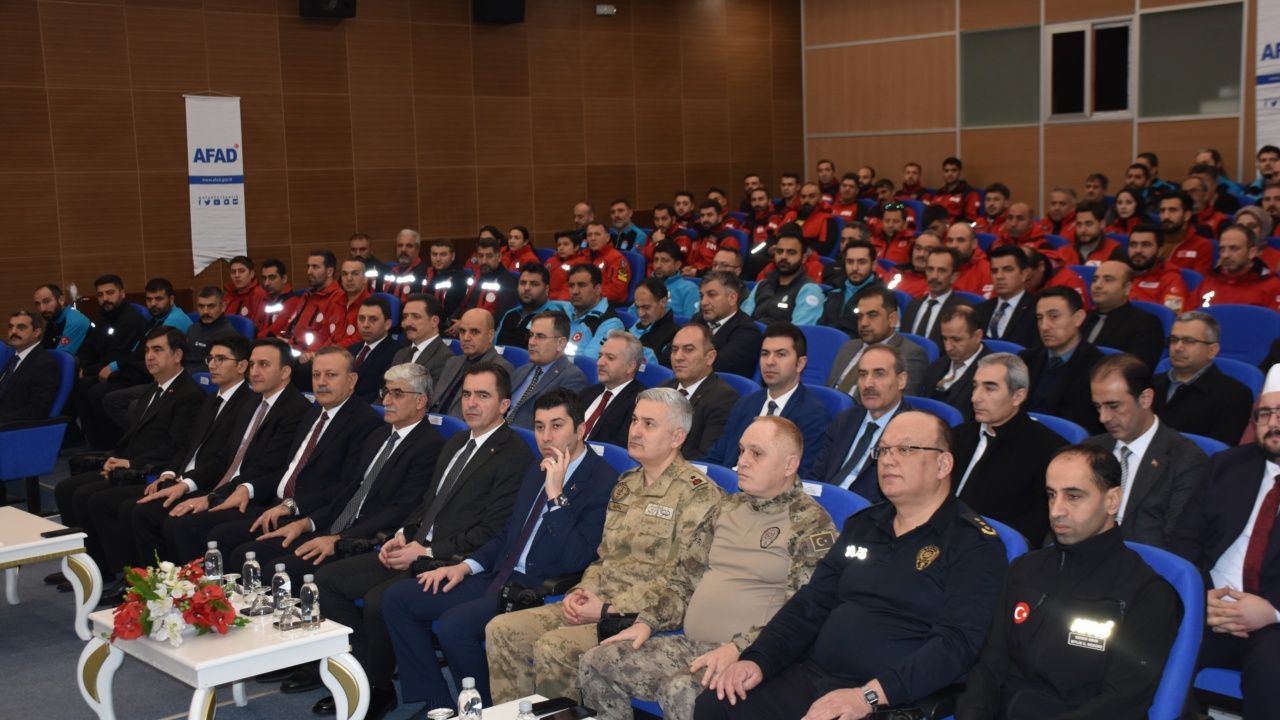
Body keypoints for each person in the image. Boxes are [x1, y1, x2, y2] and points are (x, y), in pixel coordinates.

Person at [693, 410, 1007, 720]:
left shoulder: (974, 544)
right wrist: (758, 659)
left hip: (890, 699)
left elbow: (956, 645)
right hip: (815, 675)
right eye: (883, 450)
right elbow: (810, 605)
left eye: (905, 449)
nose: (888, 460)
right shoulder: (863, 526)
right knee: (717, 703)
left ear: (943, 464)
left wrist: (868, 695)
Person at [300, 363, 532, 716]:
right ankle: (364, 677)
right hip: (417, 548)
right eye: (467, 394)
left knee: (381, 601)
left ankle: (391, 691)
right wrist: (402, 536)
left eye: (483, 396)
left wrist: (426, 550)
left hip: (452, 560)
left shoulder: (513, 455)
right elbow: (428, 503)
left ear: (504, 405)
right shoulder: (457, 441)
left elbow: (491, 531)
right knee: (328, 580)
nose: (471, 403)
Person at [579, 417, 835, 720]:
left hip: (751, 658)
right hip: (691, 647)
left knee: (680, 690)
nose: (742, 462)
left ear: (790, 464)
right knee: (597, 661)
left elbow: (802, 615)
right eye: (741, 450)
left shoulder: (810, 524)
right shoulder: (726, 507)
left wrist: (739, 648)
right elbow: (683, 581)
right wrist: (647, 622)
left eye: (756, 453)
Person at [382, 389, 618, 712]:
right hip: (498, 575)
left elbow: (578, 558)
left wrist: (556, 497)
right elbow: (508, 535)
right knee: (398, 599)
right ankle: (439, 703)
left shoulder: (603, 481)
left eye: (557, 426)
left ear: (580, 429)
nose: (546, 437)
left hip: (536, 589)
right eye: (539, 427)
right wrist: (464, 566)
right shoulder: (537, 467)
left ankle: (487, 710)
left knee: (454, 626)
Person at [486, 388, 723, 703]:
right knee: (502, 630)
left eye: (649, 424)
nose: (635, 431)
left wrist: (608, 609)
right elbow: (605, 558)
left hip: (640, 616)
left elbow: (683, 582)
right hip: (598, 602)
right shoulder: (626, 484)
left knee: (555, 647)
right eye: (634, 420)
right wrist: (582, 592)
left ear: (677, 437)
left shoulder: (698, 495)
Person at [954, 444, 1182, 719]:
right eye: (1052, 495)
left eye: (1073, 496)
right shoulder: (1024, 570)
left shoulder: (1147, 594)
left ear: (1112, 501)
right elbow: (990, 667)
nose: (1056, 511)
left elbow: (1121, 702)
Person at [225, 362, 444, 589]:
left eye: (397, 394)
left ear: (420, 401)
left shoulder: (430, 446)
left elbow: (400, 511)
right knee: (247, 554)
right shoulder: (378, 436)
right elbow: (348, 491)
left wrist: (339, 540)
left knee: (280, 570)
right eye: (386, 392)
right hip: (332, 526)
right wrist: (306, 524)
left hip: (363, 540)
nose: (386, 401)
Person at [171, 347, 383, 562]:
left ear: (351, 380)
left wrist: (291, 507)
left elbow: (345, 488)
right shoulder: (315, 412)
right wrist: (248, 488)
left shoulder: (364, 422)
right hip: (275, 505)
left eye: (331, 375)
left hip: (308, 514)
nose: (321, 382)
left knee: (228, 543)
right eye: (316, 375)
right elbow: (287, 469)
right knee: (190, 526)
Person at [1171, 364, 1280, 718]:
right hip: (1212, 606)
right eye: (1265, 414)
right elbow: (1185, 539)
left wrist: (1272, 612)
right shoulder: (1227, 465)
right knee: (1147, 643)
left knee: (1272, 672)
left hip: (1274, 622)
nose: (1273, 423)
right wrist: (1201, 597)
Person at [54, 327, 204, 578]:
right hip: (132, 463)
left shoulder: (189, 395)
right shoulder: (153, 389)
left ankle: (118, 573)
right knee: (65, 489)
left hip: (153, 469)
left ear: (177, 355)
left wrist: (131, 462)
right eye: (147, 350)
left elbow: (177, 447)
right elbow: (134, 436)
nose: (149, 357)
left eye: (158, 350)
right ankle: (88, 566)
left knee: (93, 499)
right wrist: (113, 459)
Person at [158, 338, 311, 561]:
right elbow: (225, 458)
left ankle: (195, 581)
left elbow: (268, 466)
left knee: (182, 525)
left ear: (285, 372)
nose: (254, 372)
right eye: (252, 364)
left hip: (253, 495)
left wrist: (212, 496)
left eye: (264, 365)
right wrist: (187, 484)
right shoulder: (252, 403)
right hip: (224, 487)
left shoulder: (296, 409)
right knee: (163, 514)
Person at [123, 335, 258, 566]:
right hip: (185, 476)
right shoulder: (212, 399)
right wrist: (169, 473)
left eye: (221, 359)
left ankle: (173, 578)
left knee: (153, 515)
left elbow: (225, 459)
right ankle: (150, 576)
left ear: (241, 366)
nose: (212, 365)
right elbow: (188, 445)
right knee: (135, 508)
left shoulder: (248, 404)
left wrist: (186, 482)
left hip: (208, 482)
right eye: (210, 358)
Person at [1081, 354, 1206, 548]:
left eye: (1114, 406)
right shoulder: (1090, 450)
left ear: (1145, 398)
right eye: (1098, 407)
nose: (1103, 418)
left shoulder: (1185, 459)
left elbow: (1177, 542)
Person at [952, 352, 1069, 545]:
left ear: (1017, 396)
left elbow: (1036, 524)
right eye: (975, 386)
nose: (975, 398)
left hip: (991, 546)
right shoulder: (958, 435)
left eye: (989, 388)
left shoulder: (1048, 450)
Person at [704, 323, 831, 476]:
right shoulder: (745, 404)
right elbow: (717, 457)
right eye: (765, 354)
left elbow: (800, 475)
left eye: (781, 354)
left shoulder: (813, 415)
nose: (770, 362)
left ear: (800, 364)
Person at [811, 345, 913, 501]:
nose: (868, 384)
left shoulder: (911, 430)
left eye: (879, 374)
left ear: (901, 380)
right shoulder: (845, 420)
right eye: (862, 375)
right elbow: (817, 475)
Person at [1152, 311, 1254, 445]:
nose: (1177, 348)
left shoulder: (1235, 396)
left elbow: (1219, 451)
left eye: (1188, 341)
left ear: (1212, 350)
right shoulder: (1150, 384)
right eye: (1174, 340)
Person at [74, 274, 148, 449]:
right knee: (79, 386)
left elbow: (117, 355)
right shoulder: (104, 317)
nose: (105, 298)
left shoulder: (130, 320)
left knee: (97, 392)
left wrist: (88, 371)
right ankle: (94, 444)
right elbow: (90, 346)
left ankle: (111, 446)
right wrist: (83, 366)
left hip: (128, 372)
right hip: (106, 370)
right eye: (100, 295)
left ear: (122, 293)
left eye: (110, 293)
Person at [1019, 287, 1106, 435]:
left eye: (1053, 316)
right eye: (1040, 318)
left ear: (1078, 318)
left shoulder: (1098, 367)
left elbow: (1090, 425)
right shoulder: (1026, 359)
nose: (1044, 326)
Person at [827, 286, 929, 397]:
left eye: (872, 315)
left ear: (892, 319)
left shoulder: (910, 354)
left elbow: (901, 401)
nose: (864, 323)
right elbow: (829, 388)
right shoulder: (849, 346)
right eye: (860, 316)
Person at [662, 325, 739, 460]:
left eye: (688, 350)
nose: (678, 357)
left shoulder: (723, 399)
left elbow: (707, 456)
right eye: (674, 350)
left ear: (710, 357)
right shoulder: (663, 388)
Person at [506, 311, 588, 428]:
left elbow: (555, 426)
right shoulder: (522, 370)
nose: (531, 342)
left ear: (560, 343)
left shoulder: (572, 378)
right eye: (531, 335)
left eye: (540, 337)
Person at [430, 308, 514, 416]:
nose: (466, 338)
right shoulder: (452, 361)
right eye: (462, 331)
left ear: (490, 335)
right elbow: (434, 402)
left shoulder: (501, 368)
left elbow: (487, 415)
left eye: (474, 332)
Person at [1082, 260, 1166, 367]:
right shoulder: (1083, 318)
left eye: (1108, 280)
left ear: (1127, 288)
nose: (1098, 285)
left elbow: (1136, 370)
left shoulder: (1146, 324)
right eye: (1095, 279)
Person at [264, 250, 344, 355]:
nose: (309, 271)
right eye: (308, 266)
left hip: (310, 354)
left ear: (329, 271)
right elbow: (291, 325)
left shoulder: (337, 298)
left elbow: (326, 337)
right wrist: (283, 341)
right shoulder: (308, 295)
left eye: (315, 267)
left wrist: (304, 353)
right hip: (292, 348)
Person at [922, 305, 990, 423]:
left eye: (956, 340)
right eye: (944, 338)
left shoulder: (992, 371)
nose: (948, 347)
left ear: (977, 336)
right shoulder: (935, 366)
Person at [741, 229, 824, 326]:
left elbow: (797, 331)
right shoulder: (762, 284)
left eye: (791, 252)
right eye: (779, 251)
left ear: (803, 258)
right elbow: (742, 319)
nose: (783, 256)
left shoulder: (810, 290)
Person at [580, 331, 648, 447]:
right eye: (599, 356)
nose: (599, 363)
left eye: (610, 358)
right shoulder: (587, 392)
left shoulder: (640, 402)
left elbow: (619, 448)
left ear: (630, 366)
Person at [1194, 224, 1280, 311]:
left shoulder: (1272, 287)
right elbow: (1189, 315)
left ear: (1252, 252)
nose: (1226, 255)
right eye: (1222, 249)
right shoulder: (1208, 283)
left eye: (1234, 249)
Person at [695, 271, 764, 379]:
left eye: (711, 295)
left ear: (732, 298)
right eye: (701, 296)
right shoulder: (698, 319)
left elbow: (716, 366)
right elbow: (670, 353)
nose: (703, 302)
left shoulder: (747, 332)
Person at [902, 247, 972, 348]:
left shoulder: (961, 311)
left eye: (942, 271)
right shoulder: (913, 305)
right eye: (930, 269)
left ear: (954, 277)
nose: (934, 276)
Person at [0, 310, 59, 426]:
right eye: (11, 327)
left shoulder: (44, 364)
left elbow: (38, 409)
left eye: (21, 327)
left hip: (12, 426)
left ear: (36, 332)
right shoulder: (14, 358)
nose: (13, 331)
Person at [975, 245, 1039, 348]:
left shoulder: (1037, 310)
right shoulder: (979, 310)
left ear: (1024, 274)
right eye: (994, 271)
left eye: (1008, 270)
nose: (999, 276)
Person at [819, 240, 882, 335]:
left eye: (862, 262)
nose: (854, 268)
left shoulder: (883, 298)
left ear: (873, 265)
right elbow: (820, 328)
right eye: (849, 262)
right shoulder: (833, 293)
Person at [347, 296, 403, 403]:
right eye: (361, 318)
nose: (365, 325)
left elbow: (380, 393)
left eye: (373, 319)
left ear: (387, 324)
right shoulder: (351, 349)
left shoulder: (396, 353)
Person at [565, 263, 627, 360]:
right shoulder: (563, 310)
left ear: (598, 289)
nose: (575, 291)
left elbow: (589, 364)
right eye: (571, 286)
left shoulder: (611, 324)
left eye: (582, 285)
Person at [1127, 223, 1190, 313]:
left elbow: (1172, 316)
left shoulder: (1171, 280)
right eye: (1133, 245)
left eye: (1146, 245)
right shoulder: (1120, 273)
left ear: (1159, 251)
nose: (1138, 250)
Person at [390, 293, 450, 385]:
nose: (407, 323)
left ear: (434, 321)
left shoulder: (446, 358)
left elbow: (430, 393)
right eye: (405, 317)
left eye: (416, 316)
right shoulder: (400, 354)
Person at [496, 263, 558, 350]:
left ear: (546, 289)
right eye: (523, 283)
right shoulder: (510, 314)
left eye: (534, 284)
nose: (526, 288)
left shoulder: (554, 318)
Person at [456, 235, 518, 321]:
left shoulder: (507, 281)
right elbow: (462, 304)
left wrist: (465, 323)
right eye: (481, 256)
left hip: (484, 326)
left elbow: (501, 316)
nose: (484, 261)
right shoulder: (475, 277)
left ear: (499, 257)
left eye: (489, 256)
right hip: (464, 322)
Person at [1158, 191, 1215, 276]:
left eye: (1172, 210)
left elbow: (1199, 281)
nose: (1166, 216)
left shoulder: (1201, 245)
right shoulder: (1152, 243)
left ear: (1187, 215)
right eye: (1162, 211)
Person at [182, 286, 235, 374]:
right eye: (201, 306)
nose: (205, 311)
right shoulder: (192, 328)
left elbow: (217, 369)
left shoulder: (227, 335)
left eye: (211, 306)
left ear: (223, 307)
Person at [629, 277, 680, 367]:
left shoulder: (674, 337)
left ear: (663, 302)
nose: (640, 314)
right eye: (637, 307)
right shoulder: (636, 325)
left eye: (646, 307)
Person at [643, 240, 700, 318]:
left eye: (664, 261)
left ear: (677, 265)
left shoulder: (689, 289)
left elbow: (692, 322)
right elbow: (632, 313)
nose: (658, 265)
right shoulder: (646, 286)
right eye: (656, 260)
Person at [1060, 201, 1126, 267]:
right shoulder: (1065, 252)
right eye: (1079, 224)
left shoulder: (1114, 251)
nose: (1083, 230)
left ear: (1102, 224)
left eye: (1088, 224)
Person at [581, 221, 632, 305]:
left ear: (607, 238)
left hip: (609, 304)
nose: (592, 238)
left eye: (597, 234)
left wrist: (589, 296)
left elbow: (618, 290)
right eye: (589, 235)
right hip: (585, 302)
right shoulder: (583, 257)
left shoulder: (618, 259)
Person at [326, 259, 372, 348]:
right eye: (344, 274)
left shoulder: (371, 305)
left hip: (352, 353)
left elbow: (361, 338)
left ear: (365, 279)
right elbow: (324, 333)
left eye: (355, 274)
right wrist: (313, 351)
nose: (349, 278)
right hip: (329, 351)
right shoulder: (335, 301)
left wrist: (331, 350)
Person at [34, 283, 90, 355]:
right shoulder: (54, 320)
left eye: (46, 301)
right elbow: (43, 350)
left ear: (61, 300)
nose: (42, 309)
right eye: (38, 304)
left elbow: (60, 358)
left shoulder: (74, 321)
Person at [947, 222, 995, 299]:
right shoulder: (939, 266)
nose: (954, 245)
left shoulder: (986, 270)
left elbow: (986, 303)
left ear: (974, 244)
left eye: (961, 240)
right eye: (950, 240)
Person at [223, 255, 269, 332]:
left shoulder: (259, 294)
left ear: (251, 274)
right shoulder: (228, 295)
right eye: (233, 272)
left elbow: (257, 326)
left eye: (241, 271)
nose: (237, 275)